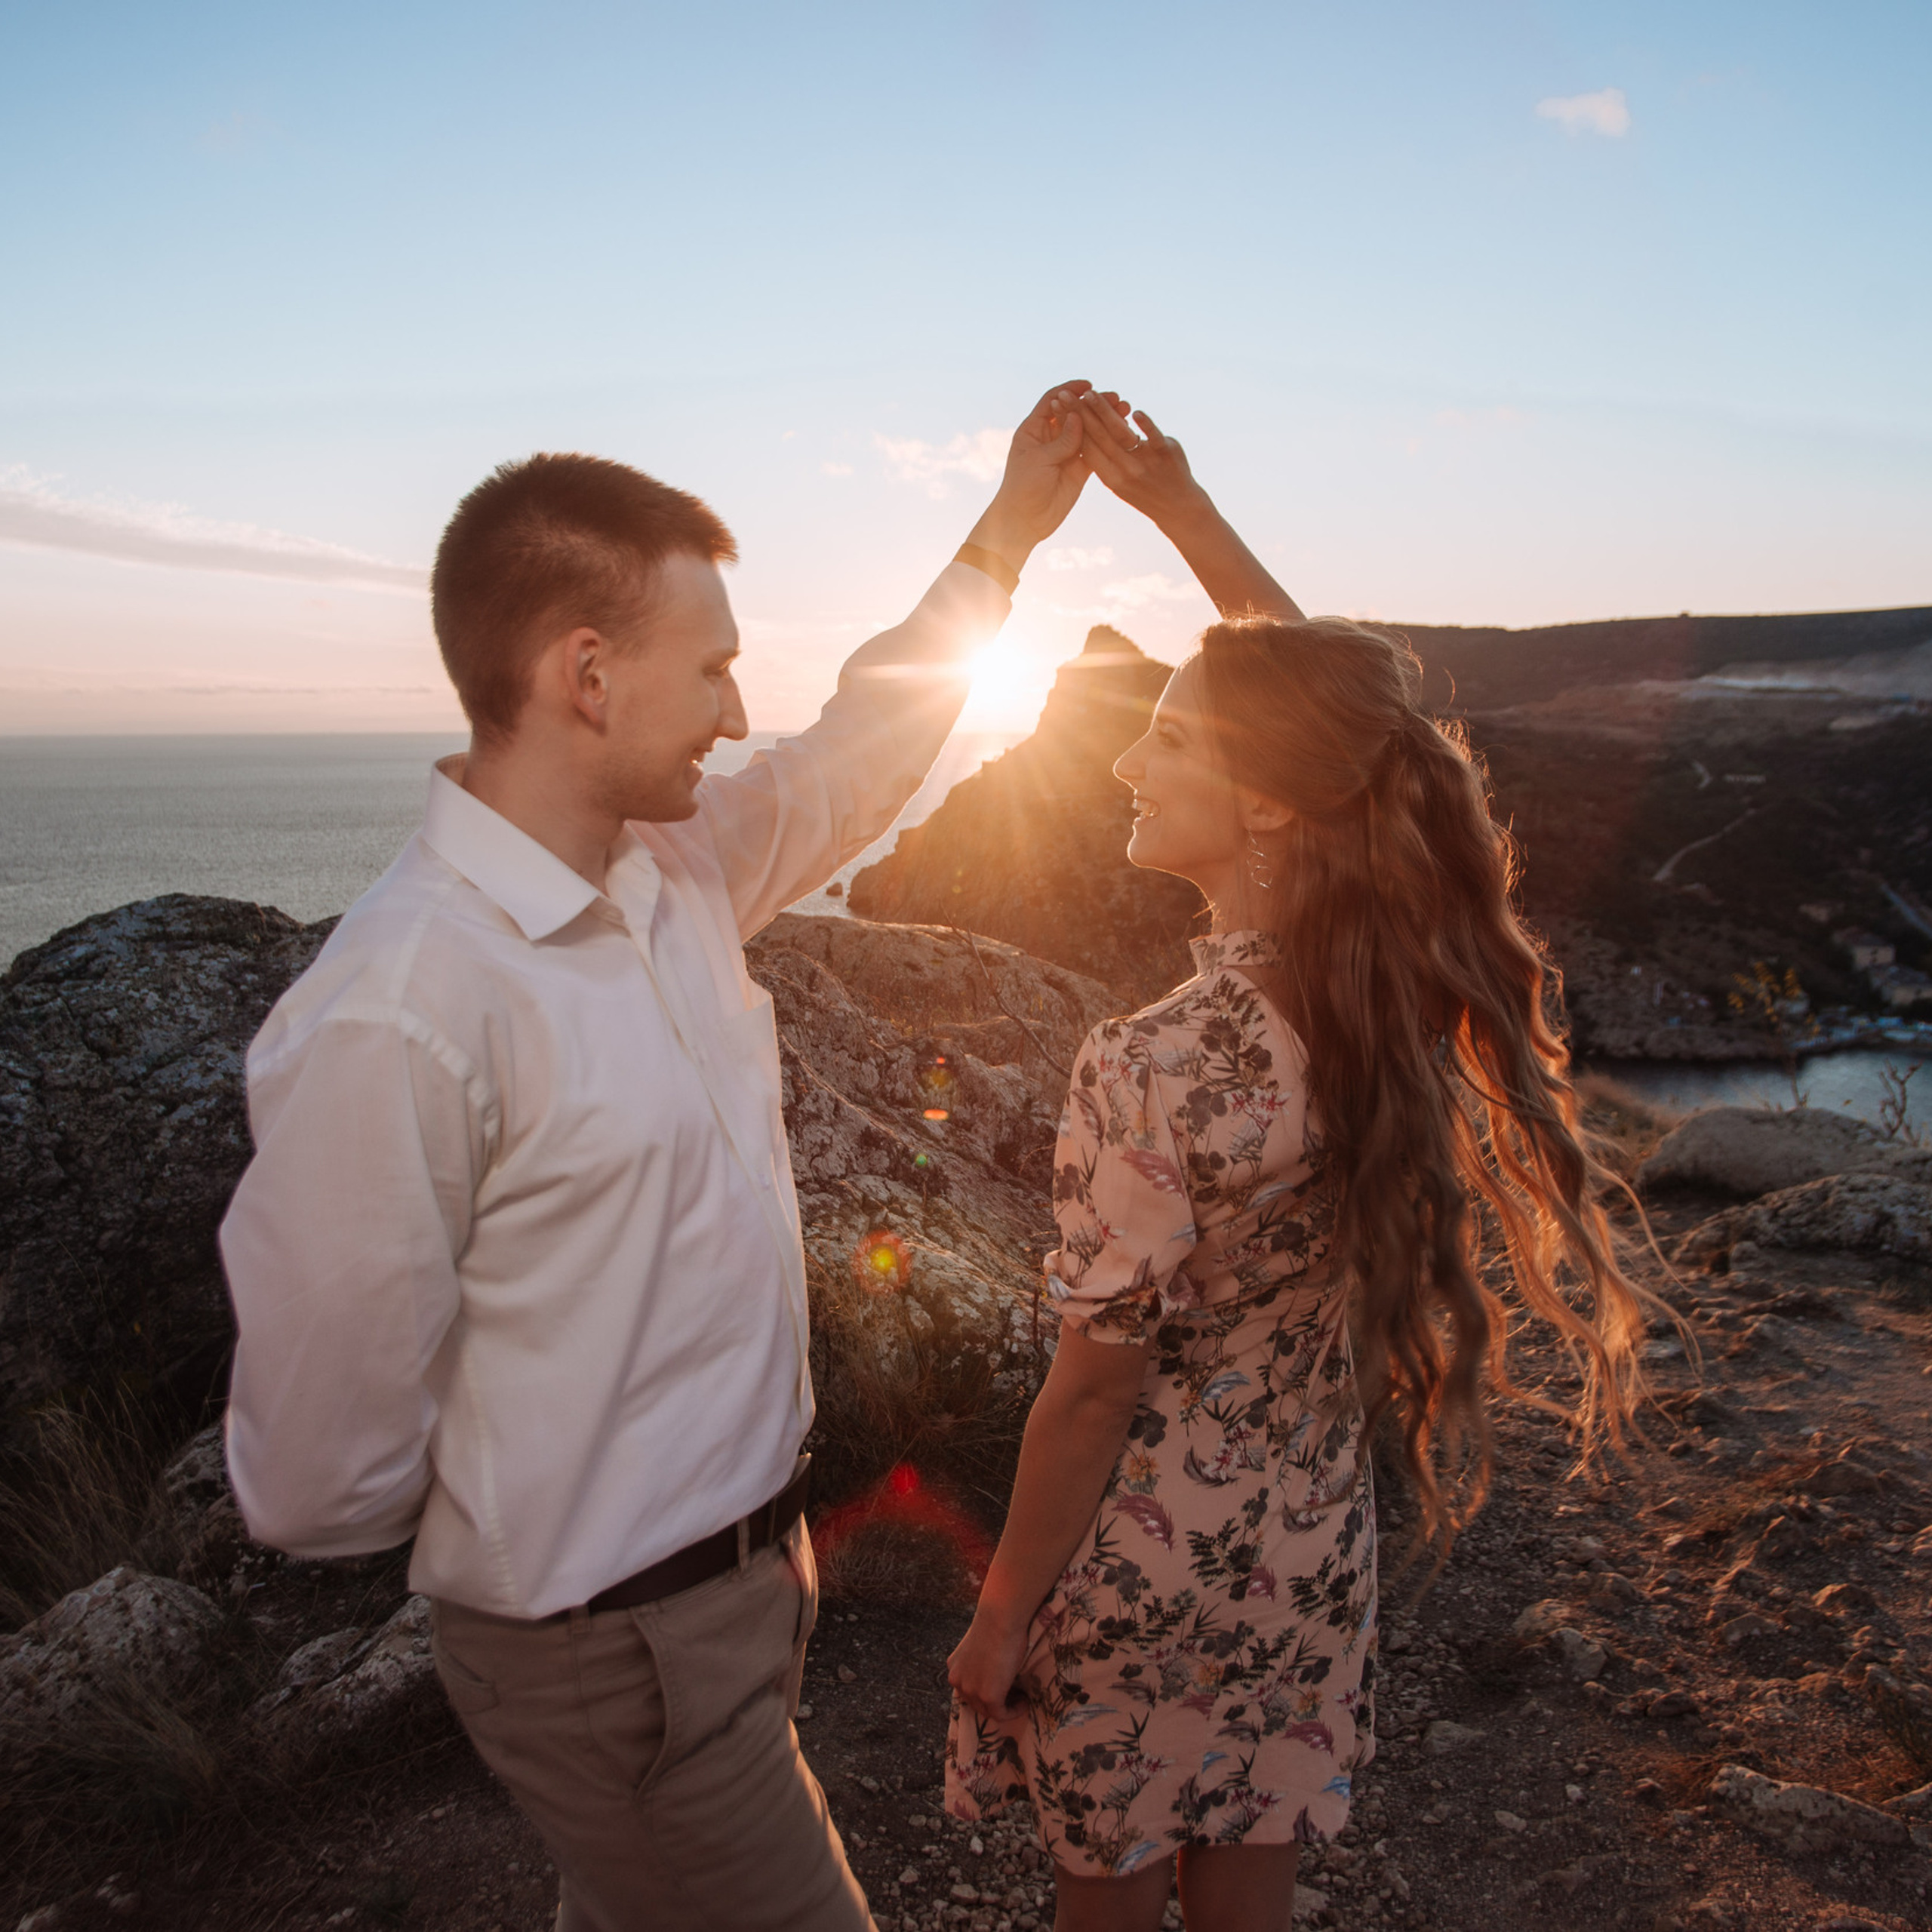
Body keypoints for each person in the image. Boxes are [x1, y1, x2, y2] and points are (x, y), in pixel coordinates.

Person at [218, 380, 1100, 1932]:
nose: (739, 710)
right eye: (712, 667)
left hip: (746, 1592)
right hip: (607, 1654)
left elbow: (856, 751)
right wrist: (540, 1498)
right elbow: (314, 1471)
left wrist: (1006, 533)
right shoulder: (400, 1013)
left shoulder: (670, 869)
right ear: (584, 673)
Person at [944, 395, 1659, 1932]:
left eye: (1171, 738)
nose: (1129, 757)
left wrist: (997, 1614)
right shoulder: (1379, 999)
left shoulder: (1148, 1059)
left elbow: (1089, 1391)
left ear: (1263, 796)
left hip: (1136, 1568)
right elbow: (1356, 738)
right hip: (1304, 1545)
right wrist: (1188, 520)